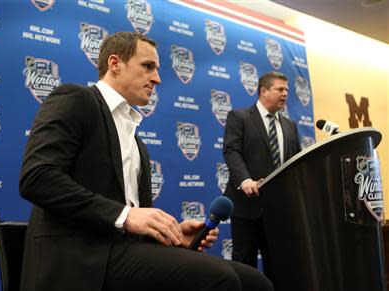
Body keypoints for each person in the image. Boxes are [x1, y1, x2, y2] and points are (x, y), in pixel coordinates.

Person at [19, 31, 273, 291]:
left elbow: (130, 221)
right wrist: (126, 215)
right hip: (79, 259)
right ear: (115, 64)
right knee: (221, 278)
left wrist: (172, 237)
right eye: (148, 66)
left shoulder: (136, 138)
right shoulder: (76, 98)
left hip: (124, 252)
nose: (157, 78)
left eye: (157, 69)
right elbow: (37, 178)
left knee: (256, 282)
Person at [223, 71, 301, 284]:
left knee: (278, 267)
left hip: (278, 211)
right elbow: (232, 151)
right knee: (244, 266)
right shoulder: (239, 117)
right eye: (280, 89)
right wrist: (245, 180)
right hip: (246, 207)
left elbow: (295, 162)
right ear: (263, 91)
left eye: (287, 89)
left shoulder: (290, 125)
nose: (285, 93)